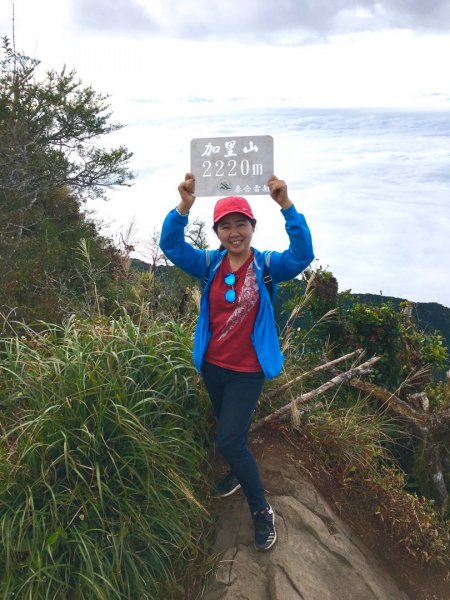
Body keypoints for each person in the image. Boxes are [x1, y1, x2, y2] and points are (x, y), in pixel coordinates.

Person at [160, 172, 314, 551]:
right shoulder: (209, 264)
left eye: (240, 224)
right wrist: (183, 206)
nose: (234, 232)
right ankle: (233, 468)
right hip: (213, 366)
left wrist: (286, 205)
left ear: (252, 227)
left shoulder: (267, 266)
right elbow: (171, 245)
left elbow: (302, 255)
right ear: (216, 232)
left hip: (247, 372)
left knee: (228, 437)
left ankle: (262, 511)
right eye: (225, 226)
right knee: (229, 430)